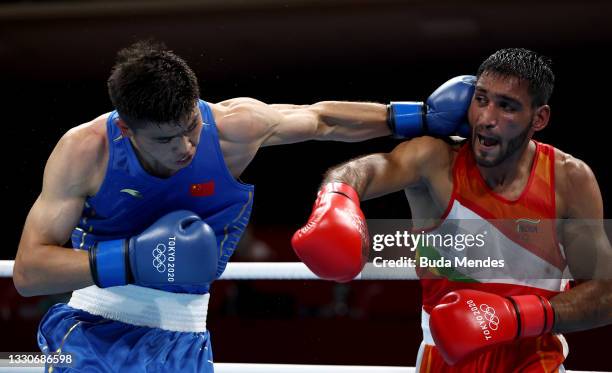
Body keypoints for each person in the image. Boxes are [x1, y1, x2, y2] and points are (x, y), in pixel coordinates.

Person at [12, 40, 474, 372]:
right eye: (166, 139)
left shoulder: (233, 127)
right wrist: (133, 259)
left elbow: (320, 119)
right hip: (90, 331)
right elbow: (30, 273)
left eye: (190, 127)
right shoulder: (84, 151)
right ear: (128, 130)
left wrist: (413, 117)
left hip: (185, 338)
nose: (186, 147)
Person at [293, 48, 612, 372]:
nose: (487, 119)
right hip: (443, 360)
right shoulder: (437, 161)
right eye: (482, 100)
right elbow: (369, 169)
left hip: (535, 359)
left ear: (539, 118)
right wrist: (338, 199)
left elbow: (605, 295)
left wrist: (516, 316)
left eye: (507, 106)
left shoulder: (568, 179)